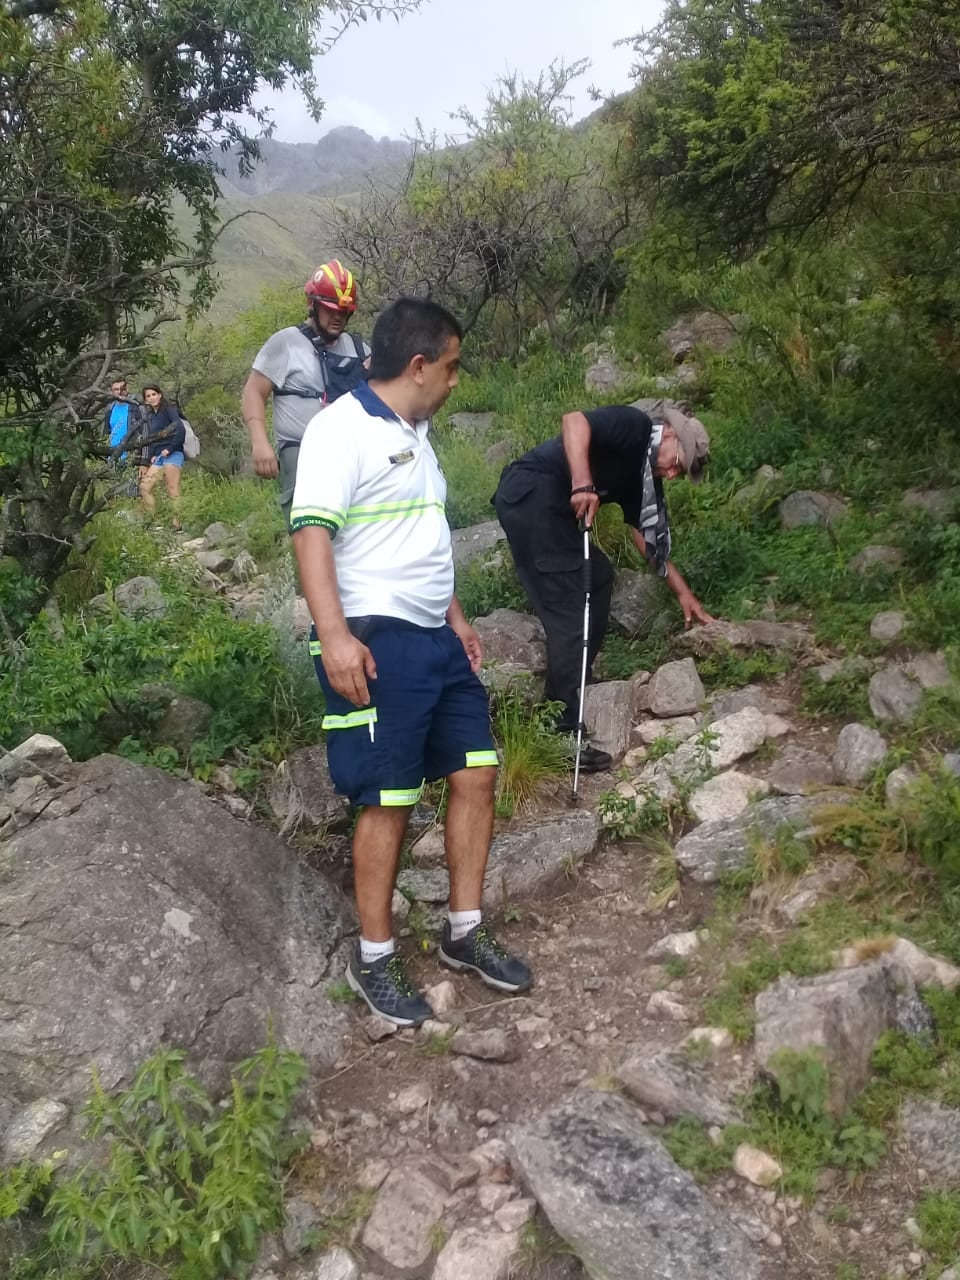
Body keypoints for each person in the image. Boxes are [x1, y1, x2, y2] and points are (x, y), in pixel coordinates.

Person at [290, 297, 532, 1027]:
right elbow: (311, 536)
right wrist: (333, 636)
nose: (457, 380)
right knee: (388, 799)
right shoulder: (341, 430)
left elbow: (422, 536)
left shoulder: (416, 433)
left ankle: (463, 933)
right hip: (373, 638)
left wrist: (456, 616)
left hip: (433, 637)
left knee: (476, 773)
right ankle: (374, 958)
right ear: (419, 365)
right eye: (452, 366)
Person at [493, 402, 715, 772]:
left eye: (682, 471)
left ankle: (574, 679)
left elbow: (644, 539)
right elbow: (573, 421)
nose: (674, 474)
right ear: (671, 435)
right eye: (679, 461)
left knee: (596, 577)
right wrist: (582, 483)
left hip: (545, 506)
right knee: (570, 600)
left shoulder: (640, 478)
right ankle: (560, 729)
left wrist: (683, 593)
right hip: (530, 490)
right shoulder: (634, 426)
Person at [242, 259, 371, 528]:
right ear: (312, 304)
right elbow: (254, 392)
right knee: (310, 530)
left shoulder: (359, 349)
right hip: (302, 453)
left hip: (354, 456)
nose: (338, 317)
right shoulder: (286, 342)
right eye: (330, 309)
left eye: (344, 311)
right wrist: (260, 443)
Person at [140, 384, 186, 530]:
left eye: (154, 394)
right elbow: (153, 437)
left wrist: (170, 448)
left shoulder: (169, 409)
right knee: (145, 487)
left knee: (172, 487)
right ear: (145, 400)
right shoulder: (151, 416)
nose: (152, 398)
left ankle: (177, 523)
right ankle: (154, 522)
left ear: (160, 395)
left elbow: (180, 429)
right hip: (159, 456)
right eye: (148, 396)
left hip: (173, 453)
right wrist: (153, 454)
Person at [103, 376, 144, 469]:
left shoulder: (136, 407)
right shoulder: (109, 409)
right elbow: (106, 434)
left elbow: (144, 432)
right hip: (112, 457)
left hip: (131, 457)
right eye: (116, 389)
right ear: (111, 391)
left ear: (127, 389)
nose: (119, 391)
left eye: (122, 388)